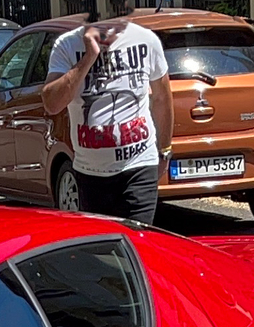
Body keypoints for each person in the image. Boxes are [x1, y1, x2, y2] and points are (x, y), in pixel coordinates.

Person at [38, 15, 173, 223]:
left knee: (137, 240)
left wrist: (164, 150)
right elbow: (52, 103)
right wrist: (89, 57)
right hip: (90, 173)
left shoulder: (146, 40)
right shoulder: (66, 45)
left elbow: (162, 98)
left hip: (138, 164)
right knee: (102, 248)